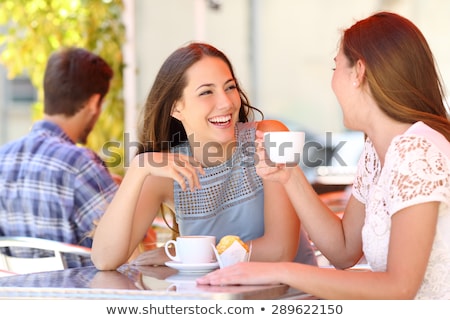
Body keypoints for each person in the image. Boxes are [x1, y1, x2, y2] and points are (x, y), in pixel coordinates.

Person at [197, 12, 450, 300]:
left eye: (335, 68)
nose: (332, 83)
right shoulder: (376, 153)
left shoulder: (415, 151)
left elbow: (399, 288)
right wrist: (289, 175)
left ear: (359, 72)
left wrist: (280, 270)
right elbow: (343, 250)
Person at [91, 42, 317, 270]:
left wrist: (187, 254)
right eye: (206, 92)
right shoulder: (168, 171)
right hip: (213, 302)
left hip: (290, 297)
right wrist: (138, 169)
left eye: (230, 87)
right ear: (176, 108)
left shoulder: (268, 136)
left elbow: (280, 251)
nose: (226, 102)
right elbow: (104, 259)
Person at [0, 47, 118, 268]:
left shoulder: (3, 159)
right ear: (94, 103)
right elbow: (127, 245)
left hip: (15, 298)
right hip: (76, 299)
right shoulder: (80, 165)